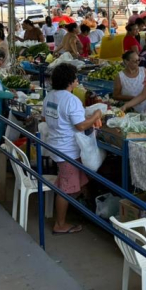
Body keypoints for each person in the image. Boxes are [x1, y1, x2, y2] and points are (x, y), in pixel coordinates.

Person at [43, 63, 104, 235]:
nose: (77, 81)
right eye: (76, 78)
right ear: (70, 81)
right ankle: (60, 224)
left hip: (56, 146)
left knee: (79, 180)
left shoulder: (50, 96)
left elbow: (45, 117)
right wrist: (96, 115)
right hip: (67, 150)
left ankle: (82, 209)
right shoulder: (71, 100)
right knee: (66, 189)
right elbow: (81, 126)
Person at [114, 50, 146, 114]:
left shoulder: (143, 71)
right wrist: (134, 99)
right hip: (129, 110)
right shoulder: (120, 76)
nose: (138, 62)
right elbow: (116, 95)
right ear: (126, 62)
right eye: (135, 61)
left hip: (144, 108)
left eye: (138, 60)